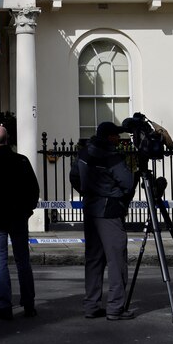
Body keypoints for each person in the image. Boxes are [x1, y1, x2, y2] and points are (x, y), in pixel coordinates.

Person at [69, 121, 136, 321]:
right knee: (116, 260)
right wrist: (117, 195)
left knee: (93, 260)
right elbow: (128, 182)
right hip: (109, 212)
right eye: (116, 135)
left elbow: (73, 177)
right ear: (109, 137)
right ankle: (115, 307)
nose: (119, 138)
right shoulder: (112, 157)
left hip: (90, 209)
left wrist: (87, 192)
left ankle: (92, 305)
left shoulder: (84, 153)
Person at [0, 124, 39, 320]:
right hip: (18, 216)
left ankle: (4, 305)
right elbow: (33, 189)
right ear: (8, 139)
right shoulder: (21, 160)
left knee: (0, 261)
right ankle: (28, 303)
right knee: (23, 261)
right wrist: (27, 210)